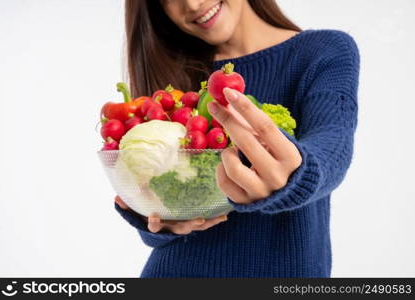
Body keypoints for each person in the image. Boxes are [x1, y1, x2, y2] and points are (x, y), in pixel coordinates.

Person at [114, 0, 360, 278]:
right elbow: (160, 207)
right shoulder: (173, 72)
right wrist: (161, 221)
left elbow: (332, 144)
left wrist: (298, 174)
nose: (192, 4)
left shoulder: (324, 51)